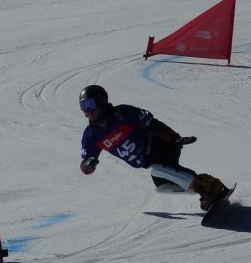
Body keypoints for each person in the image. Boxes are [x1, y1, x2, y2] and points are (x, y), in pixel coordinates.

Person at [76, 85, 230, 212]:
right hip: (147, 160)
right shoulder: (91, 136)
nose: (88, 110)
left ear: (102, 102)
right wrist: (88, 164)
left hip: (160, 144)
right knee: (163, 186)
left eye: (91, 104)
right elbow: (85, 164)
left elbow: (152, 124)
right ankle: (207, 185)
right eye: (83, 106)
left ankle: (208, 191)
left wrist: (174, 138)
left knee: (159, 169)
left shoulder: (122, 113)